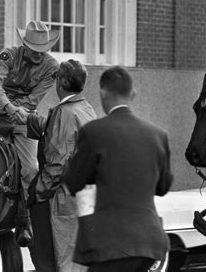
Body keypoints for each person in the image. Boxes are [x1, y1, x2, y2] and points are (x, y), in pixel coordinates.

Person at [62, 65, 173, 272]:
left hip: (108, 244)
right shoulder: (158, 135)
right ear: (133, 93)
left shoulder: (94, 132)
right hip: (149, 242)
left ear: (103, 93)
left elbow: (74, 181)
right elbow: (163, 187)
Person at [0, 20, 60, 247]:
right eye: (34, 49)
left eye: (43, 50)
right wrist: (4, 106)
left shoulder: (53, 67)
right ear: (25, 45)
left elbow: (34, 99)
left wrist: (10, 109)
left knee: (31, 167)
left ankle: (26, 220)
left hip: (24, 118)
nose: (38, 54)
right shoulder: (8, 56)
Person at [18, 59, 96, 271]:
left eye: (55, 77)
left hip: (62, 197)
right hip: (86, 196)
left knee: (54, 259)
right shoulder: (85, 108)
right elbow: (61, 131)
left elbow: (57, 163)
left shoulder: (64, 113)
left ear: (60, 82)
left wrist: (36, 193)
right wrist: (28, 118)